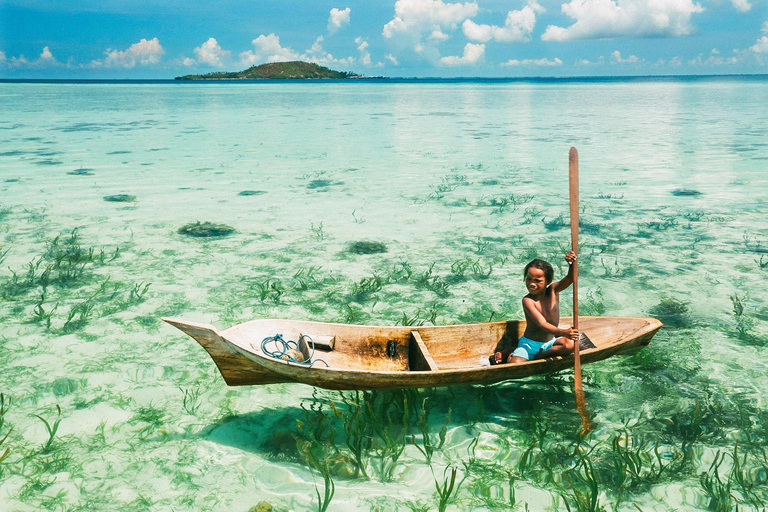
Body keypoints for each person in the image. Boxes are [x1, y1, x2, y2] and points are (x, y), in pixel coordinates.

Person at [492, 252, 579, 364]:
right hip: (529, 345)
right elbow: (542, 324)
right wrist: (563, 332)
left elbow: (571, 278)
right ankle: (511, 352)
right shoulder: (528, 301)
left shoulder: (553, 291)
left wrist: (571, 263)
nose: (532, 284)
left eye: (538, 281)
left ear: (548, 281)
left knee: (569, 345)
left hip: (549, 343)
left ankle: (539, 357)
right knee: (514, 364)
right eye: (529, 279)